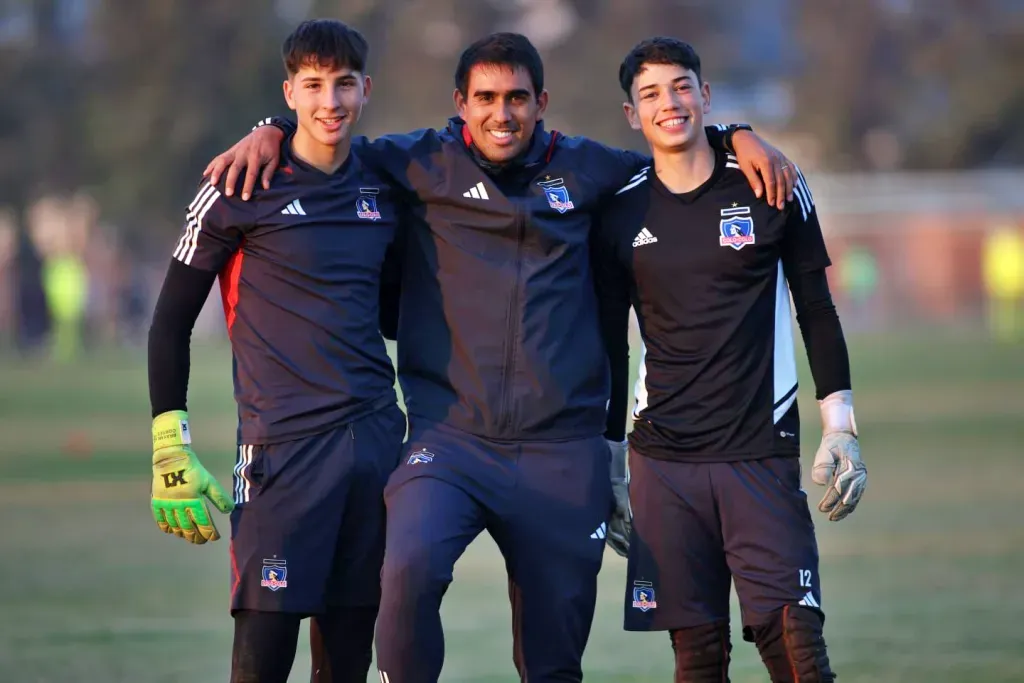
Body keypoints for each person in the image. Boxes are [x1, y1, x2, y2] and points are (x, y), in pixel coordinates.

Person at [203, 32, 797, 683]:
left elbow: (673, 150)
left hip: (560, 452)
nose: (501, 112)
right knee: (404, 571)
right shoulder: (417, 161)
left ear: (541, 102)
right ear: (461, 103)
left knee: (552, 661)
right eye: (485, 98)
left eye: (517, 98)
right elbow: (325, 128)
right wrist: (270, 127)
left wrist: (734, 134)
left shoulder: (589, 169)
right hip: (448, 443)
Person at [591, 37, 868, 682]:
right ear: (632, 114)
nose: (670, 102)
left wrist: (841, 427)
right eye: (651, 93)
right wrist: (608, 462)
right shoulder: (618, 208)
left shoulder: (771, 183)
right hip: (661, 461)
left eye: (682, 86)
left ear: (706, 96)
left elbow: (817, 311)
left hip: (759, 454)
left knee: (798, 651)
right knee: (698, 658)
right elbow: (612, 341)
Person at [146, 19, 406, 683]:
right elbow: (170, 322)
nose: (331, 102)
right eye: (313, 85)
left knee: (348, 662)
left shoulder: (384, 181)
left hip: (377, 445)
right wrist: (169, 442)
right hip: (281, 455)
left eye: (344, 84)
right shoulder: (240, 185)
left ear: (366, 89)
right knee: (261, 663)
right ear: (289, 92)